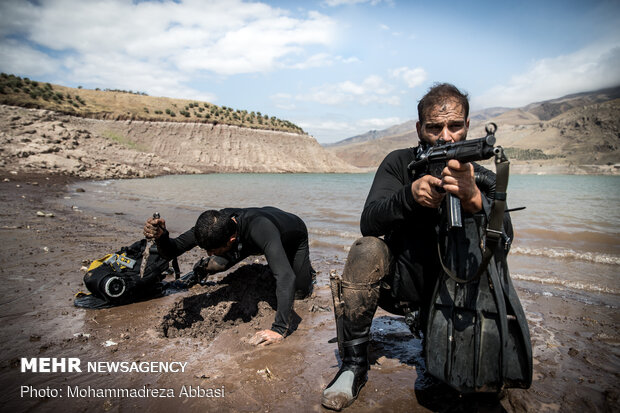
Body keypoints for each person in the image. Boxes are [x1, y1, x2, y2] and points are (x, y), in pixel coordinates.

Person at [321, 83, 512, 410]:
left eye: (455, 126)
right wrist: (408, 196)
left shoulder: (481, 177)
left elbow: (504, 242)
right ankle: (353, 367)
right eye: (435, 127)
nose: (446, 136)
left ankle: (433, 332)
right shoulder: (399, 164)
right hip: (399, 291)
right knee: (366, 249)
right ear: (419, 128)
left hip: (455, 300)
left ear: (468, 126)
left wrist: (475, 199)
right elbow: (369, 222)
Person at [143, 206, 314, 346]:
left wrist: (278, 329)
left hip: (292, 235)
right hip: (245, 241)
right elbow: (172, 250)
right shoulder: (212, 225)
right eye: (207, 250)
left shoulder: (261, 229)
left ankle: (306, 272)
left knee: (299, 292)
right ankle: (200, 271)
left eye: (213, 250)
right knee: (214, 264)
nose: (209, 253)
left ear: (231, 240)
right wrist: (162, 237)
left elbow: (286, 278)